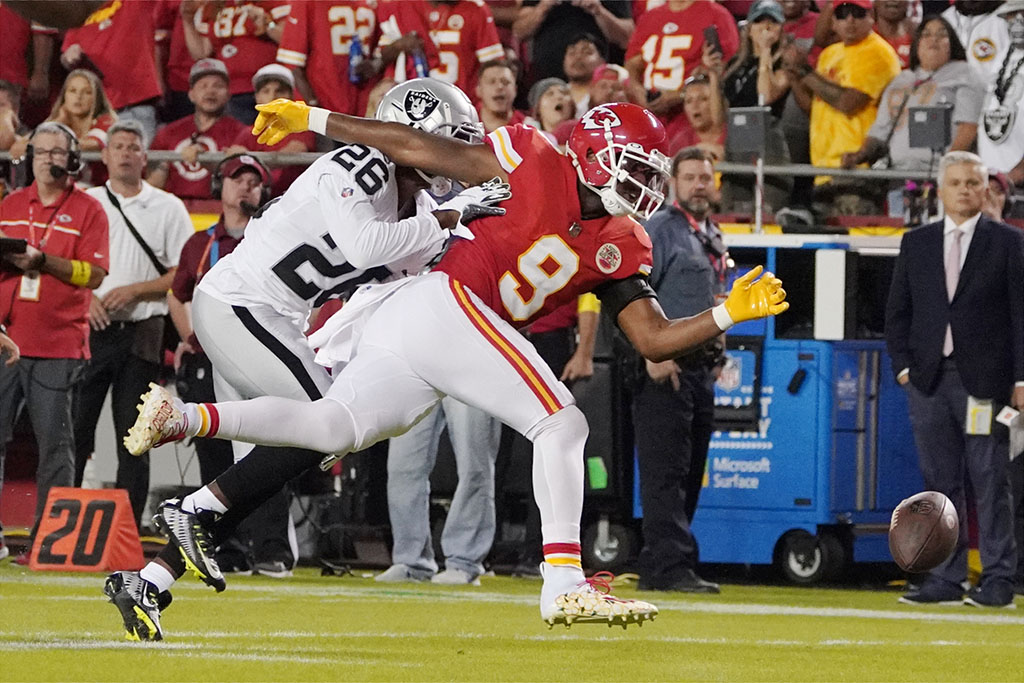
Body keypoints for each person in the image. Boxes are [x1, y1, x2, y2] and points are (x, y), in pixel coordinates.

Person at [123, 98, 787, 633]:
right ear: (590, 150)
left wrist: (727, 313)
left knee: (328, 431)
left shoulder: (622, 240)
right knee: (561, 424)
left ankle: (185, 422)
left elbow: (651, 336)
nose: (642, 184)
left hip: (432, 329)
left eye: (648, 172)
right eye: (631, 165)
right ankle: (564, 584)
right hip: (445, 302)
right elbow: (417, 146)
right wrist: (313, 117)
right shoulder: (529, 155)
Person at [104, 78, 509, 641]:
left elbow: (403, 275)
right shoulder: (362, 162)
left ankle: (150, 578)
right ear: (414, 136)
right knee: (327, 428)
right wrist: (451, 215)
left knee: (299, 452)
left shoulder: (414, 199)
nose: (458, 157)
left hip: (276, 319)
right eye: (452, 142)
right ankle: (187, 447)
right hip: (238, 305)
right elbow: (366, 247)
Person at [885, 151, 1024, 608]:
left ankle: (999, 578)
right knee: (938, 485)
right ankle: (945, 578)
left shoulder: (1008, 242)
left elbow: (1021, 318)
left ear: (986, 189)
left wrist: (1021, 380)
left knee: (989, 479)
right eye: (958, 182)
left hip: (986, 382)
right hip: (927, 381)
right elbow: (898, 314)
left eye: (974, 182)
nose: (966, 189)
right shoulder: (917, 243)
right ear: (940, 190)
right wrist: (904, 368)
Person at [72, 120, 193, 528]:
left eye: (133, 147)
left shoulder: (168, 206)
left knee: (135, 437)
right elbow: (63, 264)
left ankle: (125, 529)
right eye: (117, 146)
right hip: (90, 330)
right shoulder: (86, 202)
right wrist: (86, 298)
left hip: (143, 330)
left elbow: (181, 274)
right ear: (103, 155)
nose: (125, 153)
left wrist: (137, 290)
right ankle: (60, 525)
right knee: (75, 432)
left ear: (145, 157)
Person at [0, 122, 109, 562]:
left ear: (73, 159)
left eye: (55, 152)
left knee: (56, 447)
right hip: (6, 340)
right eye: (40, 151)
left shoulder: (89, 210)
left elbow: (95, 274)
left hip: (59, 344)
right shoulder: (9, 203)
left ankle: (50, 540)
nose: (46, 158)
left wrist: (42, 261)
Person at [166, 154, 271, 575]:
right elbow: (178, 294)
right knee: (214, 456)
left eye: (254, 181)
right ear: (220, 187)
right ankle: (223, 547)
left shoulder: (270, 238)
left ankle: (270, 547)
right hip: (211, 363)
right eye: (237, 179)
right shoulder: (201, 242)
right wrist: (191, 337)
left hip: (260, 359)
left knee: (264, 454)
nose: (246, 188)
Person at [633, 147, 727, 595]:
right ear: (673, 183)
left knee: (689, 470)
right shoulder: (659, 231)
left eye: (705, 177)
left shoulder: (711, 233)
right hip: (665, 365)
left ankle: (665, 562)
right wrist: (652, 354)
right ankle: (668, 565)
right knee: (665, 472)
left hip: (701, 368)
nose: (698, 184)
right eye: (689, 177)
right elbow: (629, 293)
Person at [840, 16, 982, 217]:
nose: (933, 39)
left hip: (941, 183)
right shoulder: (902, 80)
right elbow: (880, 131)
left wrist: (949, 171)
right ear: (916, 44)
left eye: (942, 35)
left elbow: (968, 127)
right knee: (905, 240)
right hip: (899, 179)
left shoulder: (964, 75)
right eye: (926, 34)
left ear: (953, 44)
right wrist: (858, 156)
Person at [786, 0, 902, 216]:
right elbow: (815, 109)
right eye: (842, 14)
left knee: (854, 245)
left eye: (857, 13)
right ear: (833, 22)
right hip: (824, 168)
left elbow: (847, 103)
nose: (850, 20)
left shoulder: (878, 52)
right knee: (826, 247)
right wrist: (793, 77)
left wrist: (804, 72)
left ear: (871, 17)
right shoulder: (830, 53)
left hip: (857, 168)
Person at [376, 397, 501, 585]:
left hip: (471, 370)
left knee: (474, 467)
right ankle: (411, 562)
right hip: (417, 371)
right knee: (402, 467)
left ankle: (464, 563)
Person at [625, 0, 739, 143]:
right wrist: (636, 88)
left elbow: (722, 69)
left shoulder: (716, 15)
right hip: (648, 116)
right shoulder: (651, 16)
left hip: (689, 119)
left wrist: (681, 95)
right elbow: (633, 61)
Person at [720, 0, 795, 213]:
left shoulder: (784, 63)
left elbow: (766, 94)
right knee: (732, 211)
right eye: (759, 21)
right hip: (736, 144)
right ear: (749, 28)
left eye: (773, 22)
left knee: (766, 213)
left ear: (781, 29)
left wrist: (765, 52)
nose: (766, 27)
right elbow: (722, 115)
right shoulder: (736, 65)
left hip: (769, 146)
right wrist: (715, 74)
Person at [60, 0, 162, 143]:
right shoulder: (81, 12)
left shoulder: (135, 3)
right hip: (93, 111)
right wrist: (70, 55)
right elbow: (66, 55)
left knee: (132, 160)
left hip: (134, 106)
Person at [148, 59, 247, 200]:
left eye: (218, 86)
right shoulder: (168, 133)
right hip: (175, 210)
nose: (210, 91)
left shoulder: (241, 133)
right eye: (203, 86)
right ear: (191, 94)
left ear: (228, 94)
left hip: (219, 210)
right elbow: (151, 184)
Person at [181, 0, 292, 125]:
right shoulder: (212, 7)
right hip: (233, 90)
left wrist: (267, 23)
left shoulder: (271, 2)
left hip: (269, 88)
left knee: (273, 138)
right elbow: (201, 53)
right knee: (239, 139)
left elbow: (291, 42)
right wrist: (188, 20)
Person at [8, 69, 118, 187]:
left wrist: (43, 145)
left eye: (87, 92)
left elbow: (92, 145)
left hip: (98, 191)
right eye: (72, 91)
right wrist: (57, 120)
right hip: (63, 191)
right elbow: (22, 144)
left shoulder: (106, 121)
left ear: (97, 97)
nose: (78, 97)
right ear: (64, 96)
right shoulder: (60, 123)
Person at [225, 63, 316, 196]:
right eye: (266, 91)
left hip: (295, 198)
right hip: (257, 200)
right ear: (257, 98)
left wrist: (248, 157)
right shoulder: (248, 133)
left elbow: (294, 151)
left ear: (291, 97)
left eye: (280, 91)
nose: (273, 97)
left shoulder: (302, 127)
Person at [514, 0, 634, 83]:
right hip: (548, 79)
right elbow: (519, 31)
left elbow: (627, 37)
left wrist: (599, 10)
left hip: (596, 83)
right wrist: (542, 7)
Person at [976, 1, 1024, 189]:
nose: (1019, 20)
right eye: (1013, 14)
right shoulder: (1003, 56)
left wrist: (1018, 173)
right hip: (993, 182)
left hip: (1014, 184)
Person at [475, 61, 525, 133]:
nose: (499, 87)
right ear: (478, 90)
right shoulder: (464, 123)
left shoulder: (528, 128)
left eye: (505, 82)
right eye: (491, 81)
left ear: (515, 90)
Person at [524, 77, 574, 146]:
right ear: (538, 108)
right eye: (549, 94)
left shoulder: (583, 133)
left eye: (564, 93)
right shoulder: (527, 139)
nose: (559, 96)